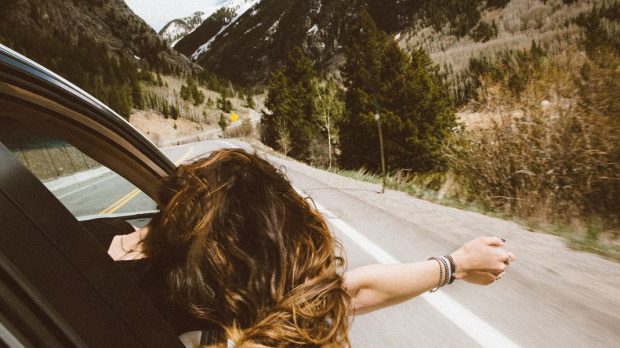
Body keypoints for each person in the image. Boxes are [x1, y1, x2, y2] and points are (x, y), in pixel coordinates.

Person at [98, 148, 515, 347]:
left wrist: (454, 265)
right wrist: (454, 266)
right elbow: (343, 295)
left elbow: (345, 293)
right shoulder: (226, 321)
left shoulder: (95, 250)